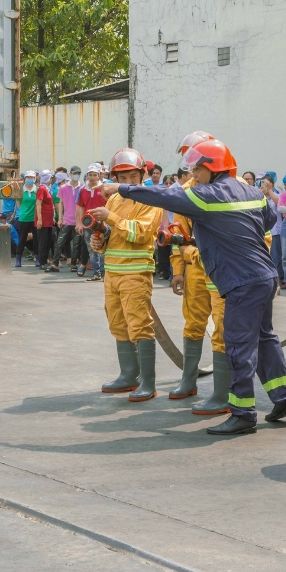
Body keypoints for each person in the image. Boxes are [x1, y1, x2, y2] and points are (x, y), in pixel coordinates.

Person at [103, 138, 286, 436]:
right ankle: (284, 398)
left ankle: (243, 413)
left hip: (240, 281)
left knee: (237, 347)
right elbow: (268, 220)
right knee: (264, 339)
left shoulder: (204, 195)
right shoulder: (253, 193)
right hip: (264, 276)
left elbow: (162, 196)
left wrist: (121, 188)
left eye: (197, 168)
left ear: (211, 168)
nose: (193, 174)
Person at [88, 149, 163, 401]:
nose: (128, 182)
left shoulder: (150, 199)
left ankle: (148, 383)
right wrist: (99, 241)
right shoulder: (114, 200)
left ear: (142, 175)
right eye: (123, 177)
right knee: (118, 324)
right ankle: (128, 375)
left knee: (140, 325)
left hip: (136, 273)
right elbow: (114, 235)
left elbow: (141, 233)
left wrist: (110, 218)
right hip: (113, 273)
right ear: (115, 179)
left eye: (133, 176)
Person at [165, 131, 230, 413]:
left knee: (224, 331)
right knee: (193, 324)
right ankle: (188, 381)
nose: (191, 166)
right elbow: (177, 232)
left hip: (220, 269)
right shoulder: (185, 190)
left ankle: (221, 394)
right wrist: (178, 270)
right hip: (193, 268)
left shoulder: (231, 186)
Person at [77, 163, 106, 281]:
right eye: (90, 175)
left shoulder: (104, 188)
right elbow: (80, 207)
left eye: (95, 175)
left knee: (104, 247)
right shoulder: (83, 190)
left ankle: (105, 273)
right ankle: (97, 273)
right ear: (87, 176)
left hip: (103, 223)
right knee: (92, 248)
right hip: (88, 223)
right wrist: (79, 223)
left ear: (99, 176)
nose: (93, 177)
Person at [257, 172, 284, 283]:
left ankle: (278, 277)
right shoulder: (258, 195)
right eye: (262, 183)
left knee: (276, 256)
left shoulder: (278, 194)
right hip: (263, 231)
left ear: (272, 184)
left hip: (276, 230)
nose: (264, 186)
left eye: (267, 184)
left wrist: (270, 191)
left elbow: (279, 204)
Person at [15, 170, 38, 268]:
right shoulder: (21, 190)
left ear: (35, 179)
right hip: (23, 218)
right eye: (28, 177)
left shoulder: (37, 190)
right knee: (22, 238)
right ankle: (18, 258)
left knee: (36, 238)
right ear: (25, 179)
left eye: (32, 177)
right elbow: (18, 203)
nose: (30, 179)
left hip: (34, 218)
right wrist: (24, 211)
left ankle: (37, 257)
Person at [36, 170, 58, 271]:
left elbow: (50, 205)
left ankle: (46, 260)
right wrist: (39, 219)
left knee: (49, 240)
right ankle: (42, 262)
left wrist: (53, 216)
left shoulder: (48, 189)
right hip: (43, 219)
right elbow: (38, 204)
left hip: (49, 219)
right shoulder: (42, 189)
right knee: (43, 241)